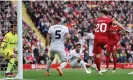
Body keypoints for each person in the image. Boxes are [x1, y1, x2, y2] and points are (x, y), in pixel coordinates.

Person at [93, 10, 130, 75]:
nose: (99, 14)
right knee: (107, 53)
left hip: (98, 38)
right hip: (106, 40)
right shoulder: (109, 20)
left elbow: (96, 28)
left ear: (102, 13)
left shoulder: (97, 20)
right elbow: (117, 23)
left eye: (99, 13)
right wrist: (124, 29)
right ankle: (106, 66)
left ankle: (99, 70)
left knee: (98, 55)